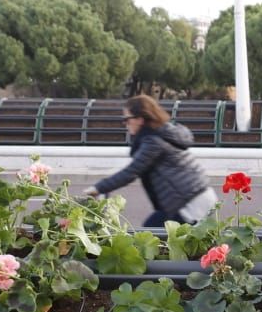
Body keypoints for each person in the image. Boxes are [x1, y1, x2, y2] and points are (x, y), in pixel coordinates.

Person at [83, 95, 214, 226]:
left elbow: (131, 172)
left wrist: (98, 188)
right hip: (195, 198)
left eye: (127, 119)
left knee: (148, 236)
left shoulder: (154, 142)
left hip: (190, 204)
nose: (125, 123)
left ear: (139, 119)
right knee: (156, 236)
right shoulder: (160, 135)